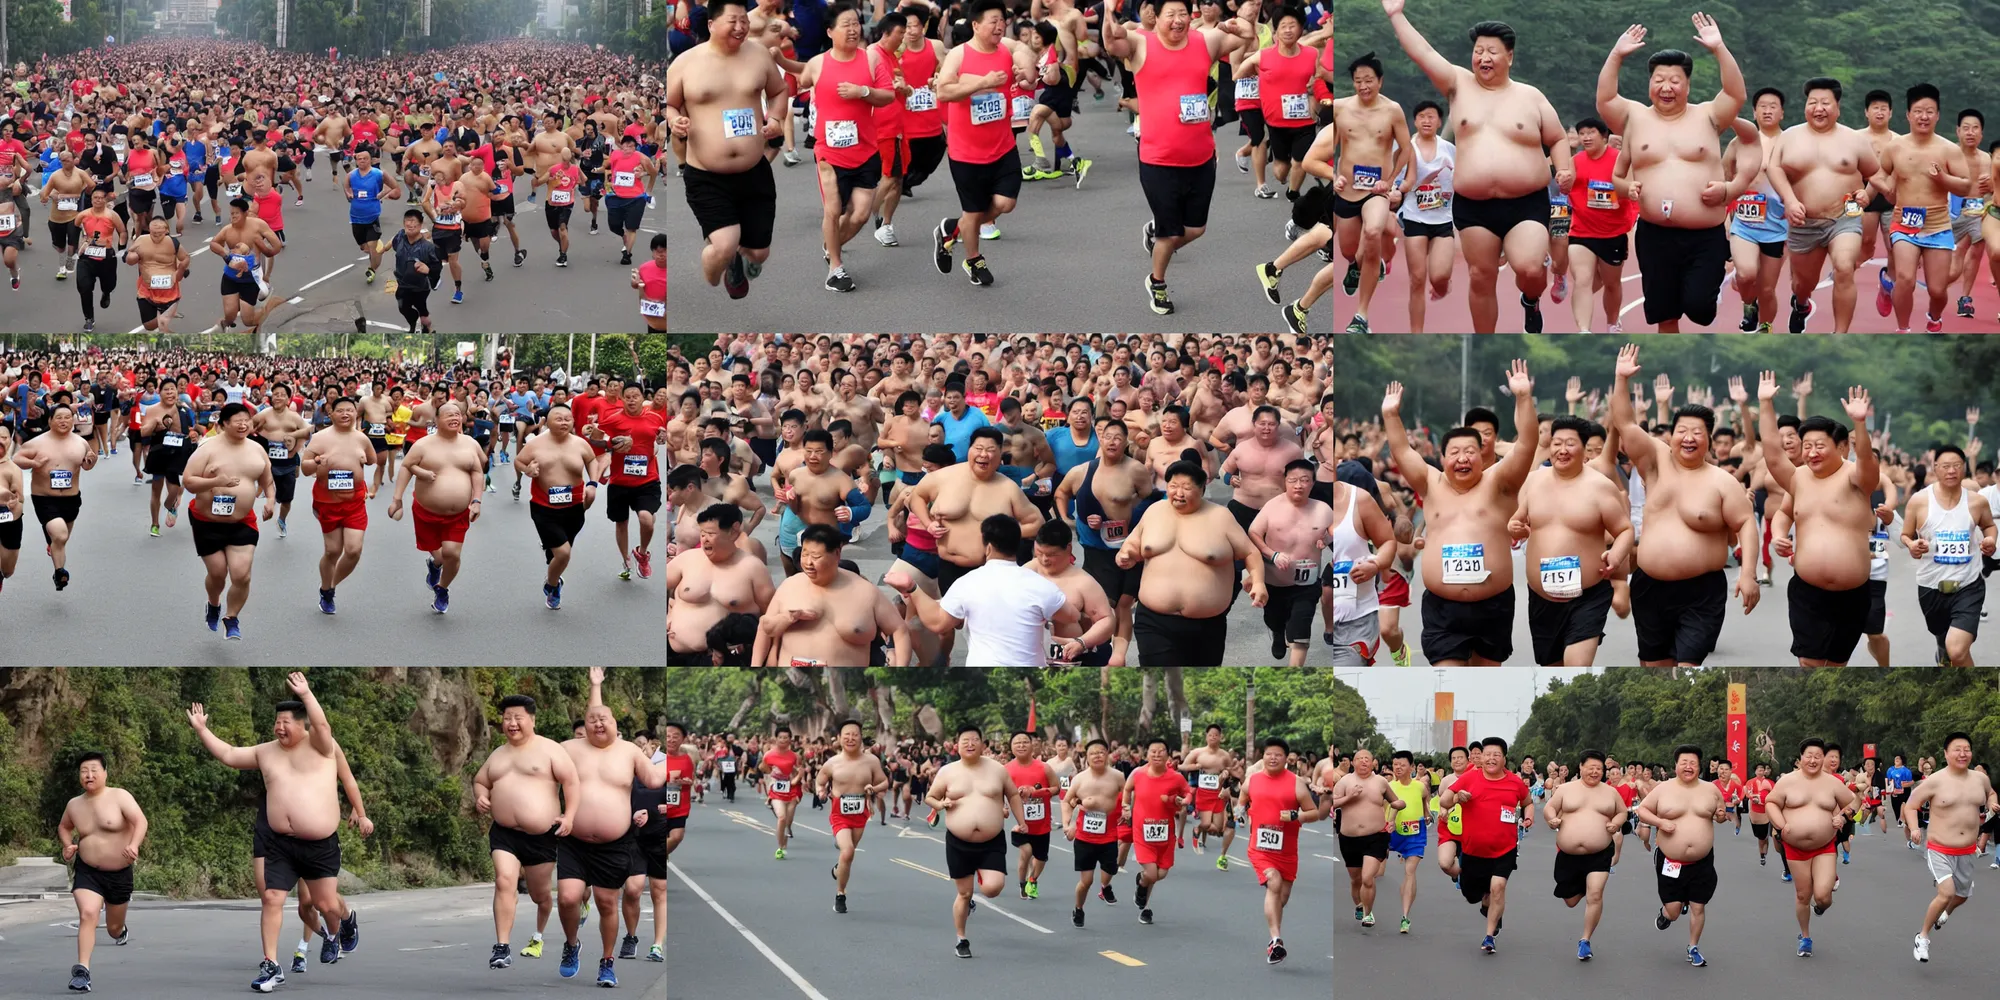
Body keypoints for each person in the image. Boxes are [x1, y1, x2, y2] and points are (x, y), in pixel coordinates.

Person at [1382, 5, 1567, 332]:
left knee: (1531, 268)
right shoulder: (1457, 84)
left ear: (1509, 56)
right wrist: (1396, 15)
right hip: (1474, 206)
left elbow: (1557, 137)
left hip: (1526, 203)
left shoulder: (1531, 97)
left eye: (1492, 51)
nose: (1483, 57)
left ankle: (1530, 298)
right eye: (1478, 50)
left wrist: (1565, 170)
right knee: (1482, 277)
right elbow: (1423, 52)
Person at [188, 673, 360, 993]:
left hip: (319, 845)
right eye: (276, 722)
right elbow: (228, 754)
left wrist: (307, 694)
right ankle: (271, 965)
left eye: (286, 723)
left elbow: (323, 727)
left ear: (302, 724)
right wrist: (202, 730)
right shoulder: (265, 751)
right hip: (280, 844)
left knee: (326, 904)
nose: (279, 728)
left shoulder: (321, 747)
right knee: (271, 897)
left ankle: (347, 919)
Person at [1381, 361, 1538, 664]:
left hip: (1493, 606)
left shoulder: (1500, 482)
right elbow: (1401, 451)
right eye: (1454, 452)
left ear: (1482, 455)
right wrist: (1390, 414)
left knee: (1482, 685)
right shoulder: (1430, 483)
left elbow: (1527, 444)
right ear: (1441, 458)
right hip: (1443, 611)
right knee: (1449, 680)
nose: (1462, 458)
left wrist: (1523, 398)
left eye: (1470, 452)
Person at [1612, 345, 1758, 665]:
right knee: (1654, 668)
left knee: (1688, 667)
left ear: (1708, 439)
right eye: (1682, 431)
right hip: (1650, 588)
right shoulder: (1654, 462)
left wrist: (1748, 574)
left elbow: (1746, 523)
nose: (1688, 438)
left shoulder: (1722, 482)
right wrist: (1621, 378)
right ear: (1672, 436)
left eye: (1697, 432)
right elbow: (1624, 423)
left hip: (1701, 592)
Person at [1755, 373, 1878, 665]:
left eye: (1819, 446)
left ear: (1840, 447)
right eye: (1806, 446)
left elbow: (1866, 460)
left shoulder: (1857, 478)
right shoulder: (1798, 478)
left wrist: (1859, 423)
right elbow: (1773, 456)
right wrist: (1764, 403)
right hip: (1807, 590)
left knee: (1836, 666)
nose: (1812, 453)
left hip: (1852, 593)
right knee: (1809, 662)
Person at [667, 0, 787, 299]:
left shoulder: (758, 54)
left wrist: (774, 118)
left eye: (743, 21)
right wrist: (675, 121)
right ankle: (721, 263)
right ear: (711, 24)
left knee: (759, 253)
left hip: (753, 170)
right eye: (732, 21)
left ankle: (738, 258)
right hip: (707, 175)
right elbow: (670, 104)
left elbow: (779, 91)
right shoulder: (685, 63)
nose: (740, 27)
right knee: (723, 244)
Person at [554, 668, 666, 988]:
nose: (599, 723)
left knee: (606, 902)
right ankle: (572, 944)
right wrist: (595, 685)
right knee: (567, 898)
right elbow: (539, 771)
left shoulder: (629, 751)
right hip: (574, 840)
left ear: (616, 724)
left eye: (605, 719)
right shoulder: (568, 749)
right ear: (584, 725)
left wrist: (681, 762)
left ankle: (607, 962)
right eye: (592, 720)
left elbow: (655, 779)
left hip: (614, 843)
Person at [1116, 459, 1265, 665]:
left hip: (1206, 626)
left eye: (1187, 487)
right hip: (1154, 622)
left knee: (1199, 689)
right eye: (1173, 486)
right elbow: (1132, 545)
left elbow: (1250, 552)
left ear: (1202, 489)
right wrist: (1126, 556)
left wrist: (1258, 582)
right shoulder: (1154, 512)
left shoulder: (1221, 516)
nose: (1179, 493)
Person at [472, 694, 580, 970]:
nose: (512, 723)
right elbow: (480, 780)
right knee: (504, 880)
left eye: (518, 717)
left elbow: (571, 782)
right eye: (507, 718)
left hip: (541, 837)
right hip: (505, 833)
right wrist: (481, 796)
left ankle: (549, 926)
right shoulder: (498, 754)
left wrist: (569, 816)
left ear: (532, 719)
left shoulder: (551, 749)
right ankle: (502, 946)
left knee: (539, 894)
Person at [1767, 78, 1880, 332]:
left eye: (1825, 103)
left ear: (1837, 108)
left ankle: (1840, 333)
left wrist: (1867, 194)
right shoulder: (1789, 137)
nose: (1819, 108)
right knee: (1802, 284)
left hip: (1844, 219)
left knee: (1844, 267)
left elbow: (1877, 175)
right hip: (1803, 223)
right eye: (1813, 102)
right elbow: (1774, 169)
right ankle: (1802, 303)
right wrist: (1790, 200)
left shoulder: (1854, 139)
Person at [886, 514, 1070, 666]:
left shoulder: (967, 583)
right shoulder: (1040, 584)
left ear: (988, 547)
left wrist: (913, 587)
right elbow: (1070, 616)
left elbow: (937, 622)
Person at [925, 724, 1027, 957]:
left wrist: (1021, 821)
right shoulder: (948, 772)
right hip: (959, 841)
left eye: (974, 740)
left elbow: (1012, 794)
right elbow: (931, 797)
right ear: (956, 745)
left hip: (991, 841)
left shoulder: (997, 769)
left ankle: (981, 875)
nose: (970, 744)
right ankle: (962, 939)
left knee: (992, 888)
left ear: (983, 744)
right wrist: (941, 804)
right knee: (964, 893)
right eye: (965, 740)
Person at [183, 403, 278, 639]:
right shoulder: (207, 449)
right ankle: (213, 604)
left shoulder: (257, 449)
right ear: (224, 423)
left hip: (242, 522)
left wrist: (270, 500)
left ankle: (232, 617)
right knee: (217, 574)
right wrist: (215, 482)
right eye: (237, 420)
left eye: (247, 420)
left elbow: (268, 480)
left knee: (241, 575)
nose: (243, 424)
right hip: (207, 520)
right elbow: (188, 481)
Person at [1904, 732, 1999, 962]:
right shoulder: (1935, 780)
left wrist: (1992, 802)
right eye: (1957, 749)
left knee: (1962, 896)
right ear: (1946, 753)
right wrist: (1915, 829)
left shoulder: (1980, 779)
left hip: (1967, 850)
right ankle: (1923, 937)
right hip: (1939, 848)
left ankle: (1944, 913)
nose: (1962, 753)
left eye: (1966, 749)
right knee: (1946, 892)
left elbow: (1991, 793)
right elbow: (1911, 805)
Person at [58, 751, 148, 994]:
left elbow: (141, 821)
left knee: (113, 928)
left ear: (105, 773)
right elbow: (64, 826)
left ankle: (120, 931)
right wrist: (68, 845)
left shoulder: (120, 796)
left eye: (94, 771)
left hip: (119, 873)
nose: (88, 775)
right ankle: (82, 971)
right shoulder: (74, 804)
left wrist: (134, 845)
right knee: (88, 913)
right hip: (88, 871)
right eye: (84, 771)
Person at [1899, 444, 1997, 665]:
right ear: (1935, 468)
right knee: (1945, 642)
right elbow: (1906, 535)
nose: (1951, 471)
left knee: (1958, 650)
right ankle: (1943, 650)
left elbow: (1989, 526)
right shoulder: (1919, 501)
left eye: (1956, 466)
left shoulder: (1976, 501)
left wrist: (1991, 539)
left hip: (1968, 585)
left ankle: (1973, 695)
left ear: (1963, 468)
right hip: (1931, 586)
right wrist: (1912, 545)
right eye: (1946, 466)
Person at [387, 402, 487, 615]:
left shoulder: (469, 444)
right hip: (426, 512)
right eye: (449, 415)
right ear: (437, 420)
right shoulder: (423, 445)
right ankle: (435, 565)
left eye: (458, 415)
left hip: (458, 514)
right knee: (441, 557)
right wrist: (397, 499)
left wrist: (477, 500)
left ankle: (442, 589)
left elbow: (478, 471)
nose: (454, 418)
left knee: (452, 553)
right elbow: (406, 467)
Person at [1632, 744, 1726, 966]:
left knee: (1698, 906)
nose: (1688, 766)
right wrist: (1660, 822)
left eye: (1693, 763)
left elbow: (1720, 813)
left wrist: (1721, 815)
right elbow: (1642, 810)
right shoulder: (1664, 789)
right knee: (1674, 911)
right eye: (1684, 762)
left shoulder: (1710, 789)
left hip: (1701, 860)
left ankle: (1693, 947)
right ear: (1675, 765)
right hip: (1670, 860)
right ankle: (1666, 914)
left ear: (1699, 766)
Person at [1436, 737, 1530, 954]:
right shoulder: (1470, 778)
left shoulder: (1514, 782)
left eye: (1496, 755)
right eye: (1487, 754)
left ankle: (1489, 936)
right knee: (1474, 895)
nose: (1491, 758)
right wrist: (1458, 796)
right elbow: (1444, 801)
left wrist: (1529, 817)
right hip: (1473, 850)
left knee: (1498, 886)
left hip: (1505, 848)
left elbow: (1527, 803)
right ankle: (1487, 906)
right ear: (1480, 757)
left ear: (1504, 758)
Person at [1764, 738, 1857, 958]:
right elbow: (1771, 803)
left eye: (1818, 756)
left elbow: (1853, 803)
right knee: (1803, 895)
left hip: (1824, 846)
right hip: (1795, 848)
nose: (1813, 760)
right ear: (1801, 758)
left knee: (1823, 896)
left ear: (1823, 758)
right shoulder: (1787, 781)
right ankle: (1805, 937)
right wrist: (1781, 824)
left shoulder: (1833, 783)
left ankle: (1821, 907)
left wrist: (1843, 817)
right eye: (1809, 756)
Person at [1242, 737, 1320, 963]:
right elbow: (1243, 797)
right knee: (1273, 882)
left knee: (1281, 898)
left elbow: (1313, 813)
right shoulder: (1253, 780)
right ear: (1263, 756)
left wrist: (1296, 815)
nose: (1273, 758)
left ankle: (1274, 936)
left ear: (1286, 759)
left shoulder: (1296, 783)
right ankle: (1275, 940)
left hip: (1286, 850)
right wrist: (1239, 809)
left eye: (1278, 755)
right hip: (1260, 848)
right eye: (1269, 754)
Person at [1543, 749, 1623, 961]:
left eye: (1599, 768)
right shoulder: (1566, 789)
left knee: (1595, 894)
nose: (1595, 772)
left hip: (1599, 853)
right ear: (1580, 767)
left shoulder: (1610, 792)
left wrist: (1616, 822)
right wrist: (1552, 819)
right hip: (1569, 855)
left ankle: (1585, 940)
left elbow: (1622, 811)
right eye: (1591, 767)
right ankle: (1583, 887)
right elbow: (1549, 808)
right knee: (1570, 900)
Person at [11, 402, 97, 591]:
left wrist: (91, 460)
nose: (64, 421)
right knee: (60, 534)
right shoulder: (38, 442)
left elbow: (88, 464)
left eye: (68, 417)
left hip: (72, 498)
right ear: (50, 421)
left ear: (73, 421)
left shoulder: (80, 442)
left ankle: (56, 563)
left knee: (61, 539)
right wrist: (34, 463)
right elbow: (17, 458)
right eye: (59, 417)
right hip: (45, 498)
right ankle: (60, 571)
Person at [818, 719, 890, 913]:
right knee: (848, 851)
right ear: (839, 739)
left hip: (860, 813)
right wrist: (821, 791)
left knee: (847, 857)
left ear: (860, 737)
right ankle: (840, 894)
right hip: (839, 813)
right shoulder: (832, 762)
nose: (850, 738)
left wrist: (873, 788)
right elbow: (820, 781)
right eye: (846, 735)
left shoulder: (871, 761)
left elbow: (884, 782)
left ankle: (837, 870)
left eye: (855, 735)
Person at [1122, 737, 1192, 928]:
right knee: (1152, 872)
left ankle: (1141, 882)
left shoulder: (1176, 777)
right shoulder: (1138, 774)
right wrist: (1125, 807)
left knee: (1161, 873)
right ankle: (1144, 906)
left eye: (1161, 751)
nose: (1157, 754)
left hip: (1165, 832)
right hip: (1142, 831)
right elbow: (1127, 790)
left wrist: (1183, 801)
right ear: (1147, 754)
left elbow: (1188, 793)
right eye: (1153, 751)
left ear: (1168, 755)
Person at [1061, 738, 1126, 927]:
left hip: (1109, 834)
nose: (1097, 756)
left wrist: (1127, 810)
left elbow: (1129, 794)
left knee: (1110, 870)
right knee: (1086, 881)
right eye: (1092, 753)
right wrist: (1067, 823)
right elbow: (1066, 801)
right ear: (1086, 757)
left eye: (1101, 752)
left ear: (1107, 754)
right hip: (1085, 836)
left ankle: (1105, 886)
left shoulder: (1117, 776)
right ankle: (1078, 908)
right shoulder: (1080, 779)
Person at [1003, 731, 1061, 898]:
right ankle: (1022, 884)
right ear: (1011, 747)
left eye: (1025, 742)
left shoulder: (1044, 768)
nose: (1021, 745)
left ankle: (1032, 880)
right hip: (1021, 825)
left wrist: (1035, 792)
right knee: (1026, 851)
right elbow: (998, 791)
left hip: (1042, 825)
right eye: (1017, 743)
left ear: (1032, 745)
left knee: (1041, 858)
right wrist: (1003, 807)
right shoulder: (1006, 770)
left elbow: (1056, 788)